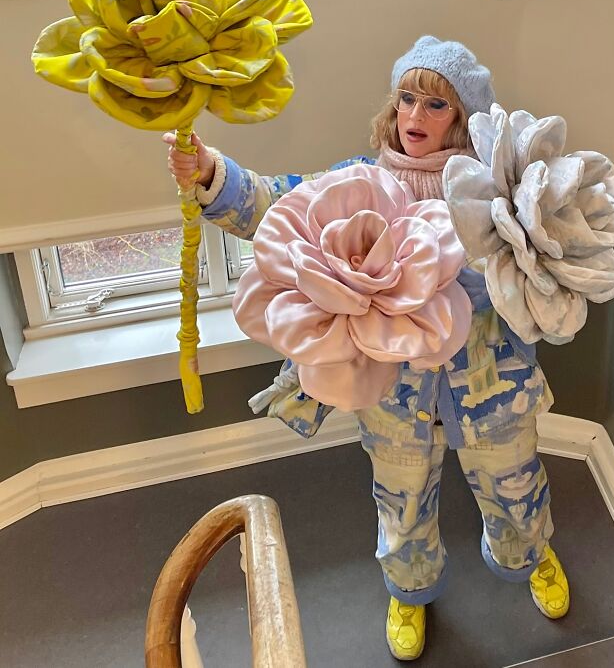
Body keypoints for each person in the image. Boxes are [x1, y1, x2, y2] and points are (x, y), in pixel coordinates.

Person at [164, 36, 570, 661]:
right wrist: (214, 174)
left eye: (436, 106)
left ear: (464, 118)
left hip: (494, 387)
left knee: (515, 483)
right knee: (402, 499)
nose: (414, 117)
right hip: (396, 395)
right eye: (407, 99)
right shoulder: (361, 182)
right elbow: (279, 203)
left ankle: (530, 555)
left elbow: (544, 257)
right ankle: (409, 588)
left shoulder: (496, 187)